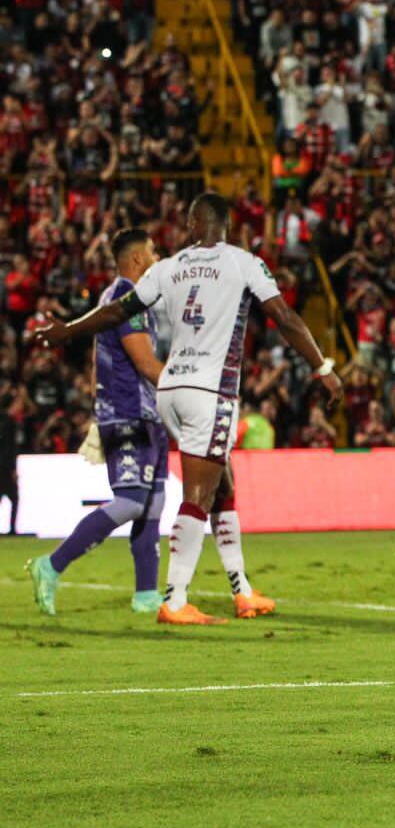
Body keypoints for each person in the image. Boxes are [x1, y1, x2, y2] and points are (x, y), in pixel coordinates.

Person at [31, 194, 342, 625]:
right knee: (198, 494)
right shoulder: (243, 263)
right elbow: (285, 317)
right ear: (226, 226)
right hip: (209, 391)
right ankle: (175, 600)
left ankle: (242, 590)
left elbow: (117, 311)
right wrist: (322, 367)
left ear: (193, 225)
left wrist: (69, 330)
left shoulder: (169, 267)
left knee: (222, 484)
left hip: (169, 391)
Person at [25, 229, 169, 615]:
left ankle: (146, 594)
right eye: (153, 251)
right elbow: (146, 364)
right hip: (128, 413)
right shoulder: (124, 300)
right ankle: (51, 565)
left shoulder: (129, 300)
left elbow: (100, 362)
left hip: (146, 413)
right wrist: (192, 391)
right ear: (137, 259)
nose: (158, 258)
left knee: (153, 503)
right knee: (132, 502)